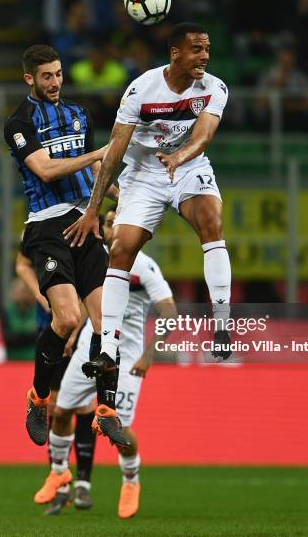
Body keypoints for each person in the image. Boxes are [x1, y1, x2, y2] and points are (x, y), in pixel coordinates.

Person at [64, 22, 233, 387]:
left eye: (207, 49)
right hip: (142, 173)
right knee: (122, 249)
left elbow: (202, 137)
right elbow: (114, 154)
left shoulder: (214, 88)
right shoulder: (140, 90)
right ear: (176, 54)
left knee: (212, 222)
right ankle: (108, 347)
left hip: (188, 167)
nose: (204, 56)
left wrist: (179, 158)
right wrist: (93, 209)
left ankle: (222, 323)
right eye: (197, 50)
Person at [3, 44, 128, 449]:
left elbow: (95, 170)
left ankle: (106, 411)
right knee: (68, 319)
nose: (55, 83)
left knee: (107, 321)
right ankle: (38, 398)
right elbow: (45, 168)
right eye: (47, 77)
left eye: (58, 74)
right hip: (48, 226)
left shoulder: (78, 115)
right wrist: (98, 152)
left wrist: (122, 198)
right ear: (30, 79)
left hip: (85, 221)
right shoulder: (19, 122)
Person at [38, 205, 178, 518]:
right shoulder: (94, 258)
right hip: (92, 345)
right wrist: (72, 336)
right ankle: (59, 472)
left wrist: (148, 354)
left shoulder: (145, 267)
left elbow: (170, 314)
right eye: (110, 222)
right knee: (61, 413)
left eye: (119, 222)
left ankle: (131, 480)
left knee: (120, 429)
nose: (114, 227)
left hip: (126, 357)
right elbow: (91, 303)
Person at [15, 240, 96, 514]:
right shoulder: (40, 226)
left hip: (80, 332)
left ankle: (83, 483)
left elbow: (90, 287)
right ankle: (60, 483)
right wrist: (41, 296)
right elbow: (22, 264)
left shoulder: (82, 228)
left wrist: (75, 331)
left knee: (83, 405)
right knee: (54, 406)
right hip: (50, 329)